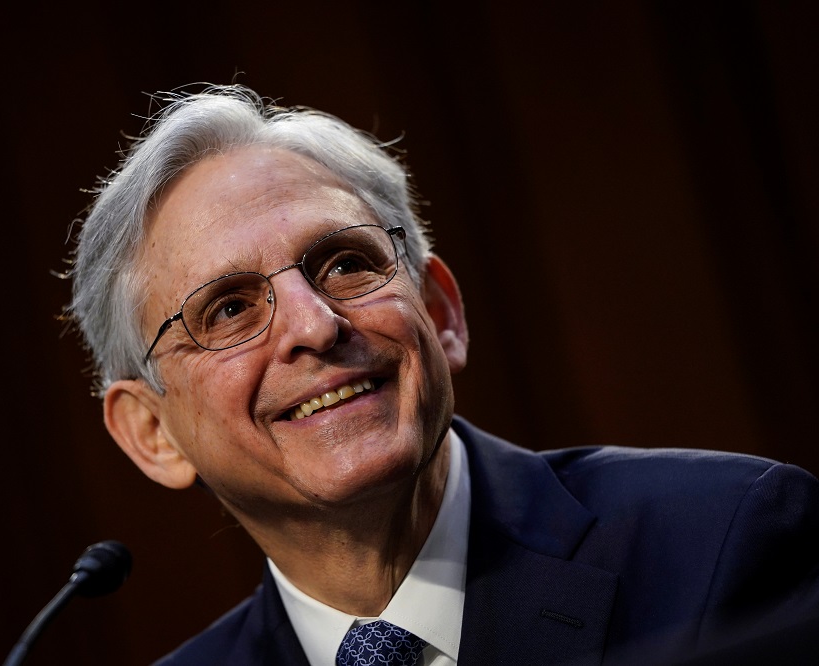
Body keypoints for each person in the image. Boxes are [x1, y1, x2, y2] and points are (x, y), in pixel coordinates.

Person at [66, 83, 818, 665]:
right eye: (228, 309)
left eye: (347, 264)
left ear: (441, 311)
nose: (315, 325)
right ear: (154, 433)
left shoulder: (727, 542)